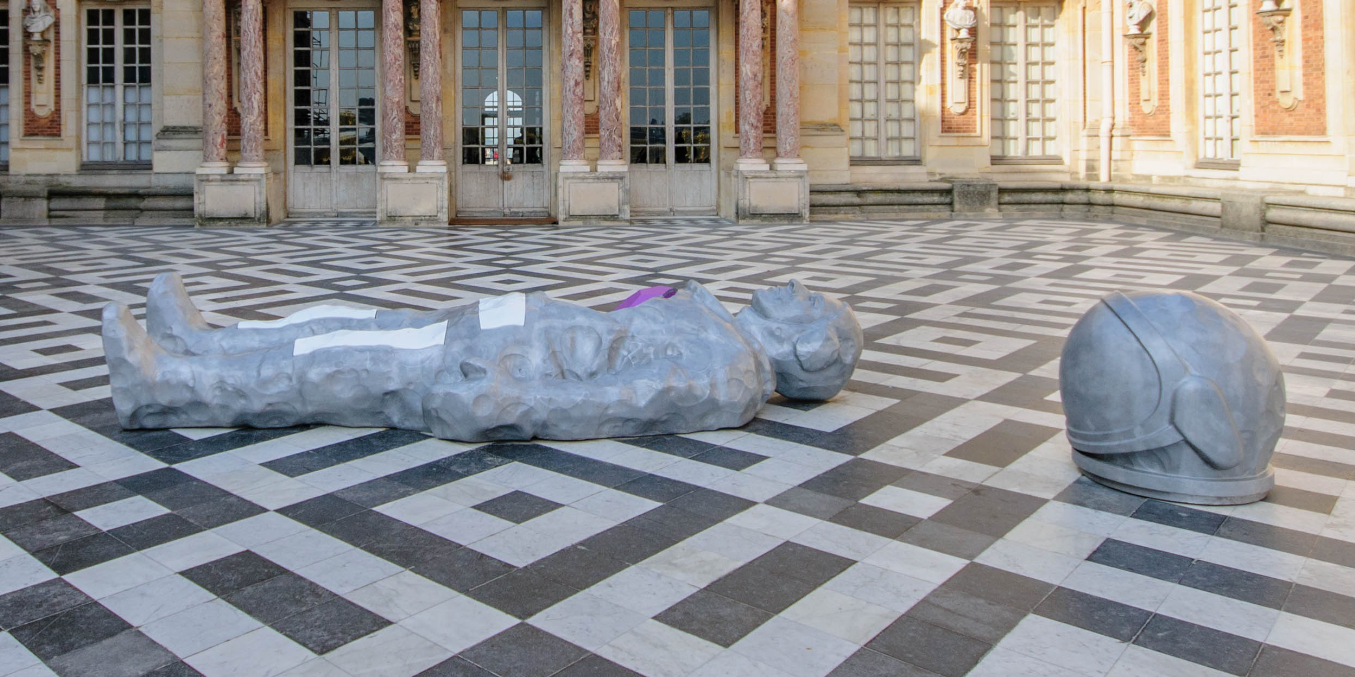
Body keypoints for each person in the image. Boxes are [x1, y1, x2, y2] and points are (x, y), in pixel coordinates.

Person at [103, 273, 862, 442]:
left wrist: (511, 405)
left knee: (337, 370)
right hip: (504, 328)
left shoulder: (732, 373)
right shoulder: (717, 322)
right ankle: (204, 341)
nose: (797, 287)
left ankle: (165, 386)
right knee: (347, 326)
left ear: (811, 348)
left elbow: (624, 403)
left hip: (508, 365)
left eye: (813, 301)